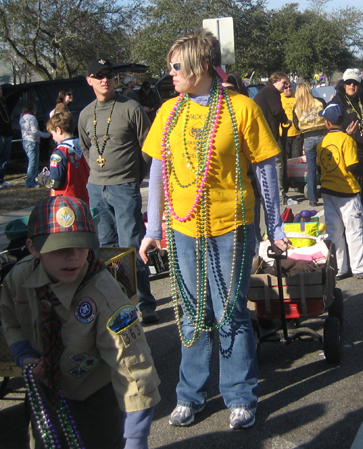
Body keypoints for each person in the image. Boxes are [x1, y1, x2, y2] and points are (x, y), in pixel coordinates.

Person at [139, 29, 289, 430]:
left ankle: (241, 395)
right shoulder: (168, 112)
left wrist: (274, 227)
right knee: (191, 313)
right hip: (184, 227)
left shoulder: (242, 106)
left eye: (176, 66)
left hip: (232, 227)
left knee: (230, 314)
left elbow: (266, 167)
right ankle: (190, 394)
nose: (170, 73)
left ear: (200, 66)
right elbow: (156, 170)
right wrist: (153, 227)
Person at [1, 196, 160, 449]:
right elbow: (10, 317)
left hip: (95, 396)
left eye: (81, 245)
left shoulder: (105, 296)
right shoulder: (20, 277)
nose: (73, 256)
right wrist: (24, 353)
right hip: (46, 390)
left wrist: (136, 437)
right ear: (33, 247)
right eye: (59, 248)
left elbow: (133, 366)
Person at [78, 59, 157, 324]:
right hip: (96, 188)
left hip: (124, 186)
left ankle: (145, 304)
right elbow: (86, 146)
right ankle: (118, 303)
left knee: (132, 246)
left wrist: (136, 176)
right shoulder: (85, 114)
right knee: (106, 248)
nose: (105, 80)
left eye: (109, 76)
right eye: (98, 76)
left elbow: (149, 145)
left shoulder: (130, 107)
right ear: (89, 80)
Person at [317, 104, 363, 281]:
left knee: (334, 231)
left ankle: (338, 268)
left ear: (327, 123)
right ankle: (361, 268)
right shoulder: (347, 140)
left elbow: (318, 167)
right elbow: (352, 165)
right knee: (355, 230)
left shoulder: (322, 142)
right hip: (347, 192)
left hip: (328, 191)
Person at [328, 68, 363, 253]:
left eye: (355, 83)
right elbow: (329, 130)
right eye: (349, 82)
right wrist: (345, 134)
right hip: (347, 157)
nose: (352, 86)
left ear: (360, 85)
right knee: (352, 202)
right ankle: (352, 246)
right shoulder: (337, 102)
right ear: (343, 84)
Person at [254, 72, 290, 205]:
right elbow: (277, 110)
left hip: (265, 132)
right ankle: (279, 195)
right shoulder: (271, 91)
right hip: (267, 134)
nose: (286, 86)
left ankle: (274, 193)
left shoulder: (267, 91)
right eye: (284, 83)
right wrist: (286, 120)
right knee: (277, 163)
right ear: (275, 81)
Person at [40, 111, 90, 204]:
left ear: (58, 130)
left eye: (52, 134)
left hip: (65, 203)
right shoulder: (83, 145)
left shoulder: (59, 153)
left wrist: (42, 179)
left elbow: (55, 182)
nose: (53, 138)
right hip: (85, 197)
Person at [292, 81, 326, 207]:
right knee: (326, 165)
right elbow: (327, 115)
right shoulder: (319, 102)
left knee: (311, 169)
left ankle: (312, 198)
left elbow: (296, 124)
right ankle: (328, 192)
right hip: (322, 135)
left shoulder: (297, 107)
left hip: (307, 138)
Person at [19, 102, 50, 188]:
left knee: (31, 162)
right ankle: (30, 182)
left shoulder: (22, 118)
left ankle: (31, 180)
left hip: (25, 141)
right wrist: (46, 135)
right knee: (33, 163)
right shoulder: (32, 118)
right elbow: (34, 131)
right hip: (32, 141)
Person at [279, 81, 302, 164]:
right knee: (286, 158)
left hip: (297, 133)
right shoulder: (278, 97)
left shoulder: (297, 96)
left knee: (297, 158)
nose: (288, 89)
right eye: (286, 87)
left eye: (290, 87)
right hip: (284, 134)